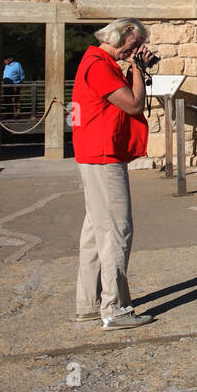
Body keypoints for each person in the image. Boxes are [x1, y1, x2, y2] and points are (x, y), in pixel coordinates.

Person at [72, 18, 154, 330]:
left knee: (95, 231)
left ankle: (89, 303)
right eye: (133, 47)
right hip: (103, 156)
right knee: (117, 231)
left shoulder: (96, 61)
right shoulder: (99, 65)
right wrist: (136, 71)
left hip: (95, 153)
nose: (133, 52)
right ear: (119, 38)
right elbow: (134, 104)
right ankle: (114, 307)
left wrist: (134, 68)